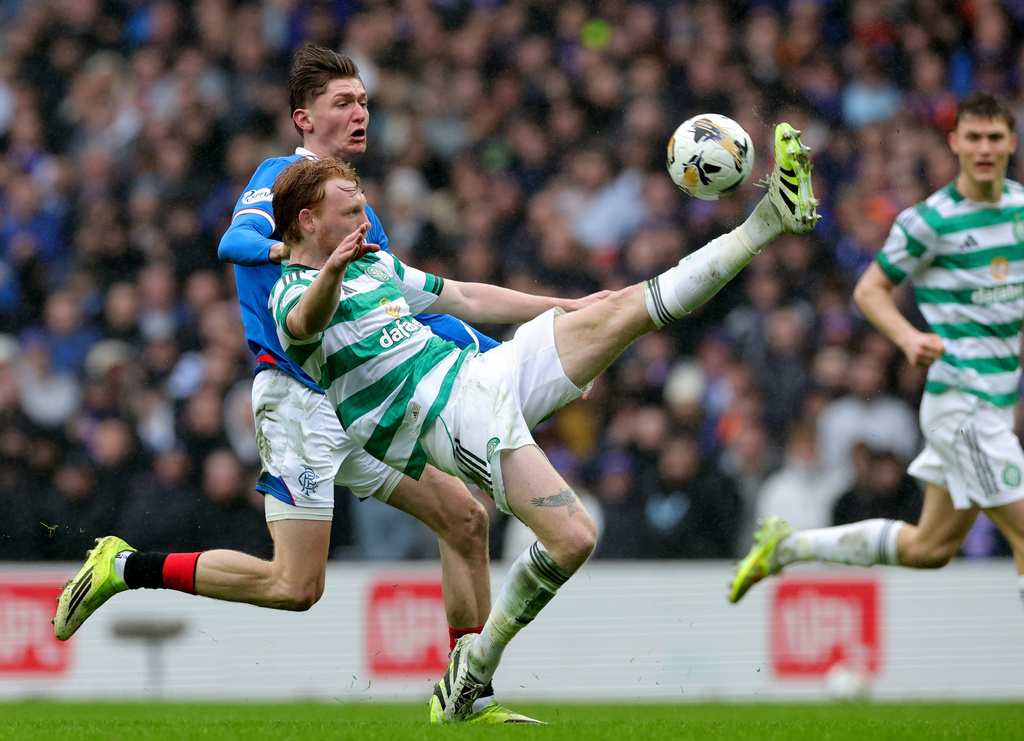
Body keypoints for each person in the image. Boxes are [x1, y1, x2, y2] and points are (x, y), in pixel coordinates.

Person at [265, 120, 817, 721]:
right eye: (350, 213)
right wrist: (332, 272)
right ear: (307, 222)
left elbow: (466, 298)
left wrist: (564, 305)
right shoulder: (291, 293)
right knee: (576, 537)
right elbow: (303, 327)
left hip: (483, 372)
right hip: (446, 419)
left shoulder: (374, 266)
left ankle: (768, 218)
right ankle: (473, 671)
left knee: (625, 308)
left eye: (365, 209)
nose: (365, 224)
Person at [53, 44, 535, 724]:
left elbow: (401, 312)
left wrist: (493, 355)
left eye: (365, 100)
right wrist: (293, 251)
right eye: (344, 102)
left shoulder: (357, 211)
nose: (361, 112)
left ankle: (464, 696)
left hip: (355, 398)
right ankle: (124, 566)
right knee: (296, 585)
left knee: (464, 518)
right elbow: (233, 240)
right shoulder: (282, 178)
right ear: (305, 119)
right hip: (297, 403)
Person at [730, 92, 1024, 608]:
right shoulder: (928, 222)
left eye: (994, 137)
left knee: (930, 547)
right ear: (954, 142)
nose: (984, 148)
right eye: (973, 137)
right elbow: (868, 291)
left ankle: (788, 547)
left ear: (1011, 142)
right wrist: (908, 337)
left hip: (996, 402)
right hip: (962, 403)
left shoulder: (1021, 211)